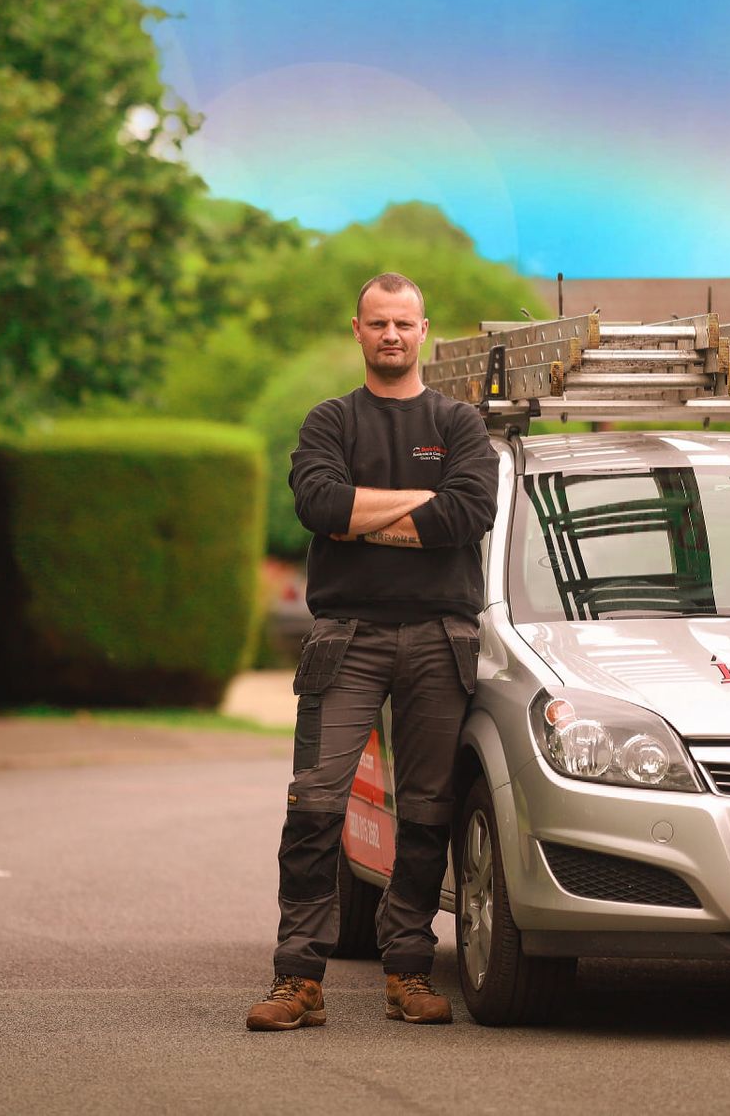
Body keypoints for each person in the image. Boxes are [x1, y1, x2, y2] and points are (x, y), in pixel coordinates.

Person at [247, 272, 498, 1031]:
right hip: (345, 638)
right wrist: (417, 504)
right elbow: (319, 505)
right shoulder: (330, 421)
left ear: (425, 332)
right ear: (357, 330)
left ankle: (410, 971)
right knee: (314, 805)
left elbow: (471, 511)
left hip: (439, 640)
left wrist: (361, 514)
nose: (392, 335)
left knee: (427, 812)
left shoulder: (459, 423)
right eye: (378, 323)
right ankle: (299, 979)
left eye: (404, 323)